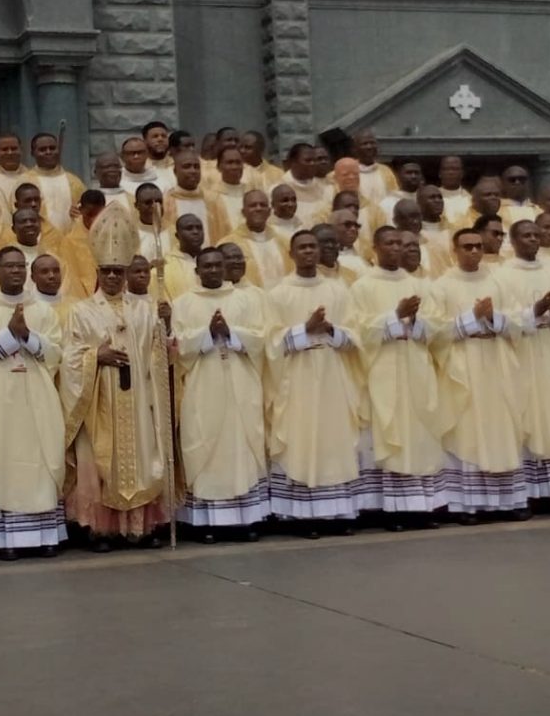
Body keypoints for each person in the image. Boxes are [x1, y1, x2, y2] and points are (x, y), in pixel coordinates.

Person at [60, 202, 173, 551]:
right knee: (100, 463)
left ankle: (138, 528)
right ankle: (100, 531)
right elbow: (70, 357)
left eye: (117, 272)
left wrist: (163, 326)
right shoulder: (80, 312)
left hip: (137, 400)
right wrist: (98, 356)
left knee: (140, 458)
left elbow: (158, 357)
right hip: (99, 402)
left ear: (126, 273)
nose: (112, 277)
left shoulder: (145, 310)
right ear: (97, 270)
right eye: (106, 271)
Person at [0, 245, 67, 559]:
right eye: (9, 266)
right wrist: (8, 336)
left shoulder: (44, 311)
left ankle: (46, 535)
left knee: (41, 460)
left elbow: (57, 354)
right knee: (2, 462)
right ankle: (6, 539)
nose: (16, 271)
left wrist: (28, 337)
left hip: (38, 399)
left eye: (21, 266)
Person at [266, 230, 362, 534]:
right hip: (297, 378)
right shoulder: (278, 293)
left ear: (320, 252)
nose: (308, 252)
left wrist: (331, 329)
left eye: (313, 247)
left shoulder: (337, 290)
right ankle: (303, 516)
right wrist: (304, 329)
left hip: (333, 373)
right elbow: (269, 343)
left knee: (334, 440)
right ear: (291, 254)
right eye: (302, 248)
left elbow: (356, 335)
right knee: (301, 439)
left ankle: (339, 513)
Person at [350, 227, 447, 529]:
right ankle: (389, 510)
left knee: (417, 434)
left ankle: (420, 508)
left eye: (401, 243)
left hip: (415, 367)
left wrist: (415, 318)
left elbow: (439, 328)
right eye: (389, 243)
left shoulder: (420, 285)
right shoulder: (362, 287)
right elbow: (359, 332)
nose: (396, 248)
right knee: (387, 435)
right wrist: (395, 315)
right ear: (375, 247)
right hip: (382, 371)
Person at [429, 228, 527, 523]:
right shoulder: (442, 286)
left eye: (478, 247)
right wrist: (473, 318)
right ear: (454, 250)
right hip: (463, 364)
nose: (473, 251)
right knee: (468, 431)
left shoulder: (498, 282)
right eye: (467, 246)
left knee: (502, 428)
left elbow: (520, 322)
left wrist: (493, 317)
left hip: (497, 362)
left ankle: (509, 501)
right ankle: (467, 505)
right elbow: (435, 332)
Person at [174, 247, 269, 542]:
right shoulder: (183, 303)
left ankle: (246, 520)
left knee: (240, 446)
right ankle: (208, 523)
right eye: (207, 266)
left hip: (241, 383)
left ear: (226, 268)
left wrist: (231, 332)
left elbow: (261, 338)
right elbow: (176, 346)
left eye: (218, 265)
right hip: (202, 386)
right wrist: (207, 334)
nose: (213, 270)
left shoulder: (245, 300)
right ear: (197, 271)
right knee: (206, 446)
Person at [494, 220, 550, 509]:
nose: (533, 239)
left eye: (536, 234)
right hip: (522, 353)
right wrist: (532, 312)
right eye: (526, 235)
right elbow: (502, 318)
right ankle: (531, 493)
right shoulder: (502, 275)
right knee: (528, 416)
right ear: (514, 240)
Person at [220, 189, 290, 288]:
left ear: (269, 211)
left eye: (262, 205)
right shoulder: (229, 244)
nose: (258, 208)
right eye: (253, 205)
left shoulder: (284, 242)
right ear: (243, 212)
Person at [162, 150, 230, 244]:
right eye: (187, 166)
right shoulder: (165, 202)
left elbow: (225, 234)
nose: (193, 171)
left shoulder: (213, 200)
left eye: (196, 167)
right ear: (175, 171)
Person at [24, 133, 86, 234]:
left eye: (52, 148)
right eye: (42, 149)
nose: (48, 152)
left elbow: (86, 213)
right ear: (32, 153)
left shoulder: (74, 181)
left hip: (71, 243)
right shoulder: (25, 181)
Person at [393, 198, 449, 279]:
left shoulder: (434, 244)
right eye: (410, 217)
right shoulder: (390, 245)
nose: (415, 221)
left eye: (418, 216)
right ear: (396, 221)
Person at [279, 143, 333, 225]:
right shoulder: (279, 189)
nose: (313, 164)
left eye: (314, 160)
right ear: (293, 162)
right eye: (308, 160)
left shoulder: (326, 189)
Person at [163, 214, 205, 300]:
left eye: (199, 228)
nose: (195, 232)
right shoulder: (165, 266)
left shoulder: (214, 262)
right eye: (189, 228)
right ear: (177, 235)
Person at [351, 129, 397, 204]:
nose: (369, 146)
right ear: (355, 149)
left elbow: (394, 198)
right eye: (364, 144)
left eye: (372, 143)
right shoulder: (349, 171)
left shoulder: (386, 171)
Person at [0, 133, 28, 211]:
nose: (10, 153)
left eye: (14, 148)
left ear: (21, 150)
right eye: (5, 149)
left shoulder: (32, 178)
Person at [32, 254, 74, 330]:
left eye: (56, 271)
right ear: (33, 278)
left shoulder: (74, 305)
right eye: (44, 272)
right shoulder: (27, 308)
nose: (52, 276)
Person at [213, 147, 250, 229]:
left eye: (238, 162)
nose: (234, 167)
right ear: (219, 167)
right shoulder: (212, 197)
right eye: (230, 163)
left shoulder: (251, 194)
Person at [330, 203, 371, 275]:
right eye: (347, 225)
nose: (353, 229)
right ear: (332, 227)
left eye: (356, 225)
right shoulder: (327, 257)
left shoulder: (367, 251)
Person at [135, 183, 171, 261]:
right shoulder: (131, 235)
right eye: (148, 203)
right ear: (137, 206)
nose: (154, 206)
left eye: (159, 202)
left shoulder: (174, 233)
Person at [417, 184, 452, 261]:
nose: (437, 201)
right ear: (419, 203)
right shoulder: (415, 232)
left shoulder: (453, 229)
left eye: (440, 197)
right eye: (432, 197)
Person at [438, 155, 471, 228]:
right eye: (446, 169)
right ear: (440, 173)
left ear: (462, 173)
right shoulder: (431, 198)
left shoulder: (471, 200)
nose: (451, 172)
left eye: (455, 169)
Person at [143, 121, 174, 186]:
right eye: (155, 136)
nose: (160, 139)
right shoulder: (141, 167)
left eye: (164, 136)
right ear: (145, 141)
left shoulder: (177, 164)